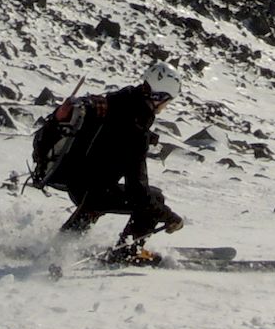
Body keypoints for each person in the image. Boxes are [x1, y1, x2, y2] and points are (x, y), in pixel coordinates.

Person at [58, 62, 187, 261]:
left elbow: (116, 128)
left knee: (99, 195)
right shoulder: (136, 131)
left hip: (76, 177)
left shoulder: (123, 98)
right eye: (167, 101)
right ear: (159, 97)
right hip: (92, 189)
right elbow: (139, 192)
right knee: (154, 200)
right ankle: (127, 253)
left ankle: (61, 243)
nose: (166, 106)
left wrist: (147, 135)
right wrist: (168, 216)